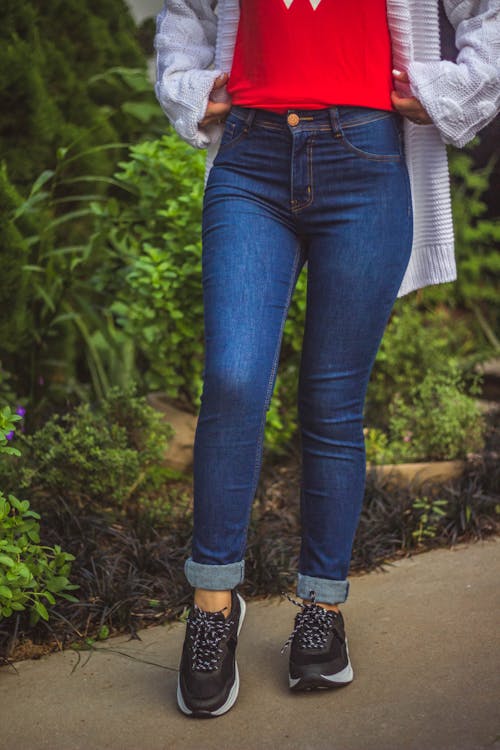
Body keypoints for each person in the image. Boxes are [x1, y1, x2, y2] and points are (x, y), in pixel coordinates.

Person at [154, 0, 500, 718]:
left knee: (333, 399)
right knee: (234, 379)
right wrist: (188, 81)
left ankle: (322, 608)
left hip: (368, 160)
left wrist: (447, 88)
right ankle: (214, 605)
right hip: (250, 160)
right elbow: (184, 10)